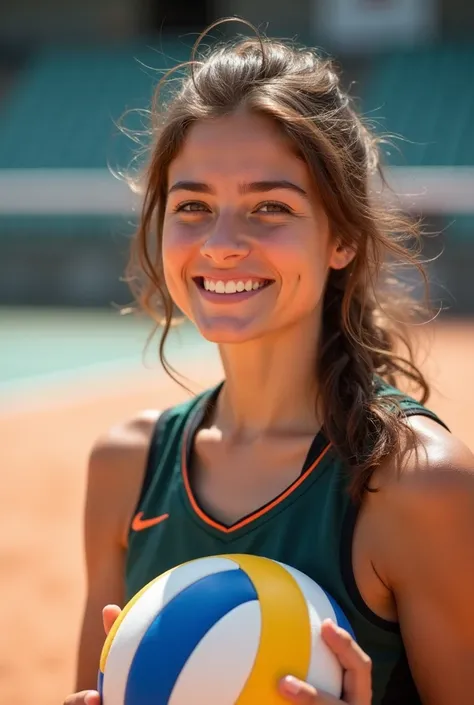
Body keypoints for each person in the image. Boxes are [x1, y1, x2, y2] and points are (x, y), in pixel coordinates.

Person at [65, 19, 474, 705]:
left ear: (341, 236)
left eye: (269, 207)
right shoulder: (125, 466)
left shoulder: (418, 483)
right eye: (193, 204)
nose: (222, 244)